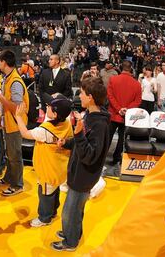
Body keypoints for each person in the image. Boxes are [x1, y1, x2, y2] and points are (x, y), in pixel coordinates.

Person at [52, 76, 110, 251]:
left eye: (83, 93)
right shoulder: (91, 116)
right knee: (77, 209)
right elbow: (82, 144)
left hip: (83, 175)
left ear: (91, 97)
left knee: (70, 211)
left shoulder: (99, 124)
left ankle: (70, 242)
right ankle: (73, 232)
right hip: (79, 172)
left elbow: (90, 155)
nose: (80, 97)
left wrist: (77, 134)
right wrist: (68, 142)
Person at [15, 93, 73, 227]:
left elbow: (25, 133)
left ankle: (44, 217)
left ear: (54, 114)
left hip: (48, 168)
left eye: (49, 106)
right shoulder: (67, 122)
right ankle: (53, 212)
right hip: (60, 166)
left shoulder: (44, 131)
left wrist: (18, 116)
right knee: (54, 189)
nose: (46, 106)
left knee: (45, 194)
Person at [0, 50, 29, 196]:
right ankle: (9, 177)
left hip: (15, 124)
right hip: (9, 122)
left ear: (4, 62)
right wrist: (1, 116)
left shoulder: (15, 82)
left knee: (15, 155)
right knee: (10, 154)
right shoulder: (8, 78)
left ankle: (17, 185)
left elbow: (16, 107)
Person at [107, 60, 141, 172]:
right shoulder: (137, 84)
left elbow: (110, 96)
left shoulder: (113, 79)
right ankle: (116, 158)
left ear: (121, 67)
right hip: (126, 116)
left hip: (113, 114)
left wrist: (118, 108)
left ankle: (101, 158)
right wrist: (126, 109)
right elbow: (137, 101)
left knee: (108, 137)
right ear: (131, 68)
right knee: (122, 138)